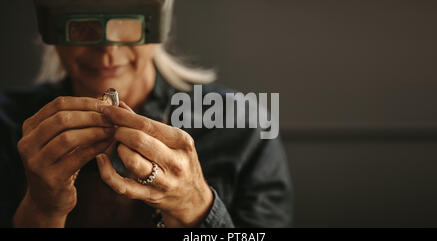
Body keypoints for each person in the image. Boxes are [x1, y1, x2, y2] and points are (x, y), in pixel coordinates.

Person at [0, 0, 292, 228]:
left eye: (128, 20)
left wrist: (194, 205)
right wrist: (42, 208)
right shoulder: (7, 124)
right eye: (82, 23)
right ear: (53, 29)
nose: (107, 49)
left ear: (158, 24)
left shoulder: (239, 124)